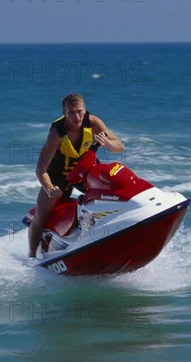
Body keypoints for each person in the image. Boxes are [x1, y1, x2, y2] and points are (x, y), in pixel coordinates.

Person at [28, 93, 125, 257]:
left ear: (85, 110)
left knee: (110, 193)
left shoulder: (93, 122)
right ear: (64, 113)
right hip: (59, 176)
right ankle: (31, 256)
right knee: (41, 215)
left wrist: (106, 142)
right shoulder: (56, 133)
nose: (77, 116)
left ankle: (113, 229)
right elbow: (41, 169)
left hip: (85, 171)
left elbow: (119, 147)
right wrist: (50, 188)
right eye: (71, 112)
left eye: (79, 111)